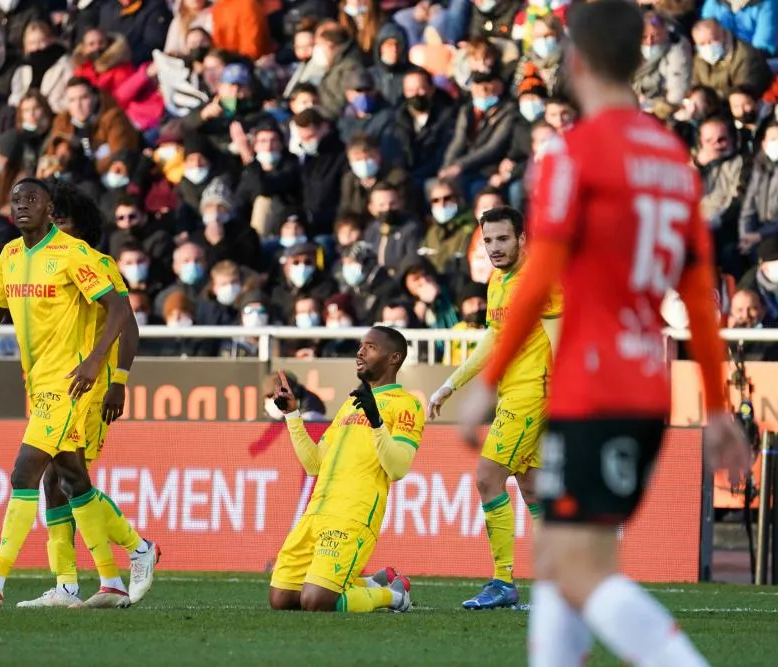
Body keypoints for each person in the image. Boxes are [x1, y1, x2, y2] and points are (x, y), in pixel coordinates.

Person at [458, 3, 751, 665]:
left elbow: (536, 281)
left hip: (594, 387)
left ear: (575, 62)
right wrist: (712, 403)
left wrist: (491, 376)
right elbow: (698, 298)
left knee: (582, 570)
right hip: (643, 385)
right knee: (562, 562)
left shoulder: (573, 155)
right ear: (640, 59)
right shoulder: (674, 161)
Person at [0, 178, 139, 609]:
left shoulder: (80, 256)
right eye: (17, 200)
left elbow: (123, 314)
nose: (24, 206)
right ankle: (115, 572)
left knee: (26, 471)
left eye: (35, 200)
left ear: (52, 211)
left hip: (76, 383)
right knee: (69, 480)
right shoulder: (9, 254)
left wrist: (108, 370)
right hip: (39, 383)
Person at [17, 180, 159, 609]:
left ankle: (134, 550)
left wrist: (119, 380)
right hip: (54, 386)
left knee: (64, 477)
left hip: (91, 388)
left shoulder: (96, 263)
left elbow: (128, 323)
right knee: (55, 479)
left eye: (63, 219)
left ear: (82, 225)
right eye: (52, 217)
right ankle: (69, 584)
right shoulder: (42, 266)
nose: (54, 225)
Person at [428, 206, 561, 609]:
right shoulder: (497, 282)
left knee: (487, 477)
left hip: (535, 394)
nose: (495, 247)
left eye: (504, 238)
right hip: (514, 393)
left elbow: (560, 339)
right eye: (489, 240)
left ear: (523, 239)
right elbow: (493, 340)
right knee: (533, 487)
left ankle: (503, 582)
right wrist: (451, 384)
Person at [268, 326, 422, 614]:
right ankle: (369, 584)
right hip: (316, 513)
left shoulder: (407, 405)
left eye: (371, 347)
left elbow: (398, 468)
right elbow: (314, 464)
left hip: (353, 515)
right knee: (282, 599)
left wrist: (376, 420)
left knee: (316, 601)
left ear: (394, 358)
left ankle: (393, 596)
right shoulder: (350, 404)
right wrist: (292, 414)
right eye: (361, 345)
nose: (360, 351)